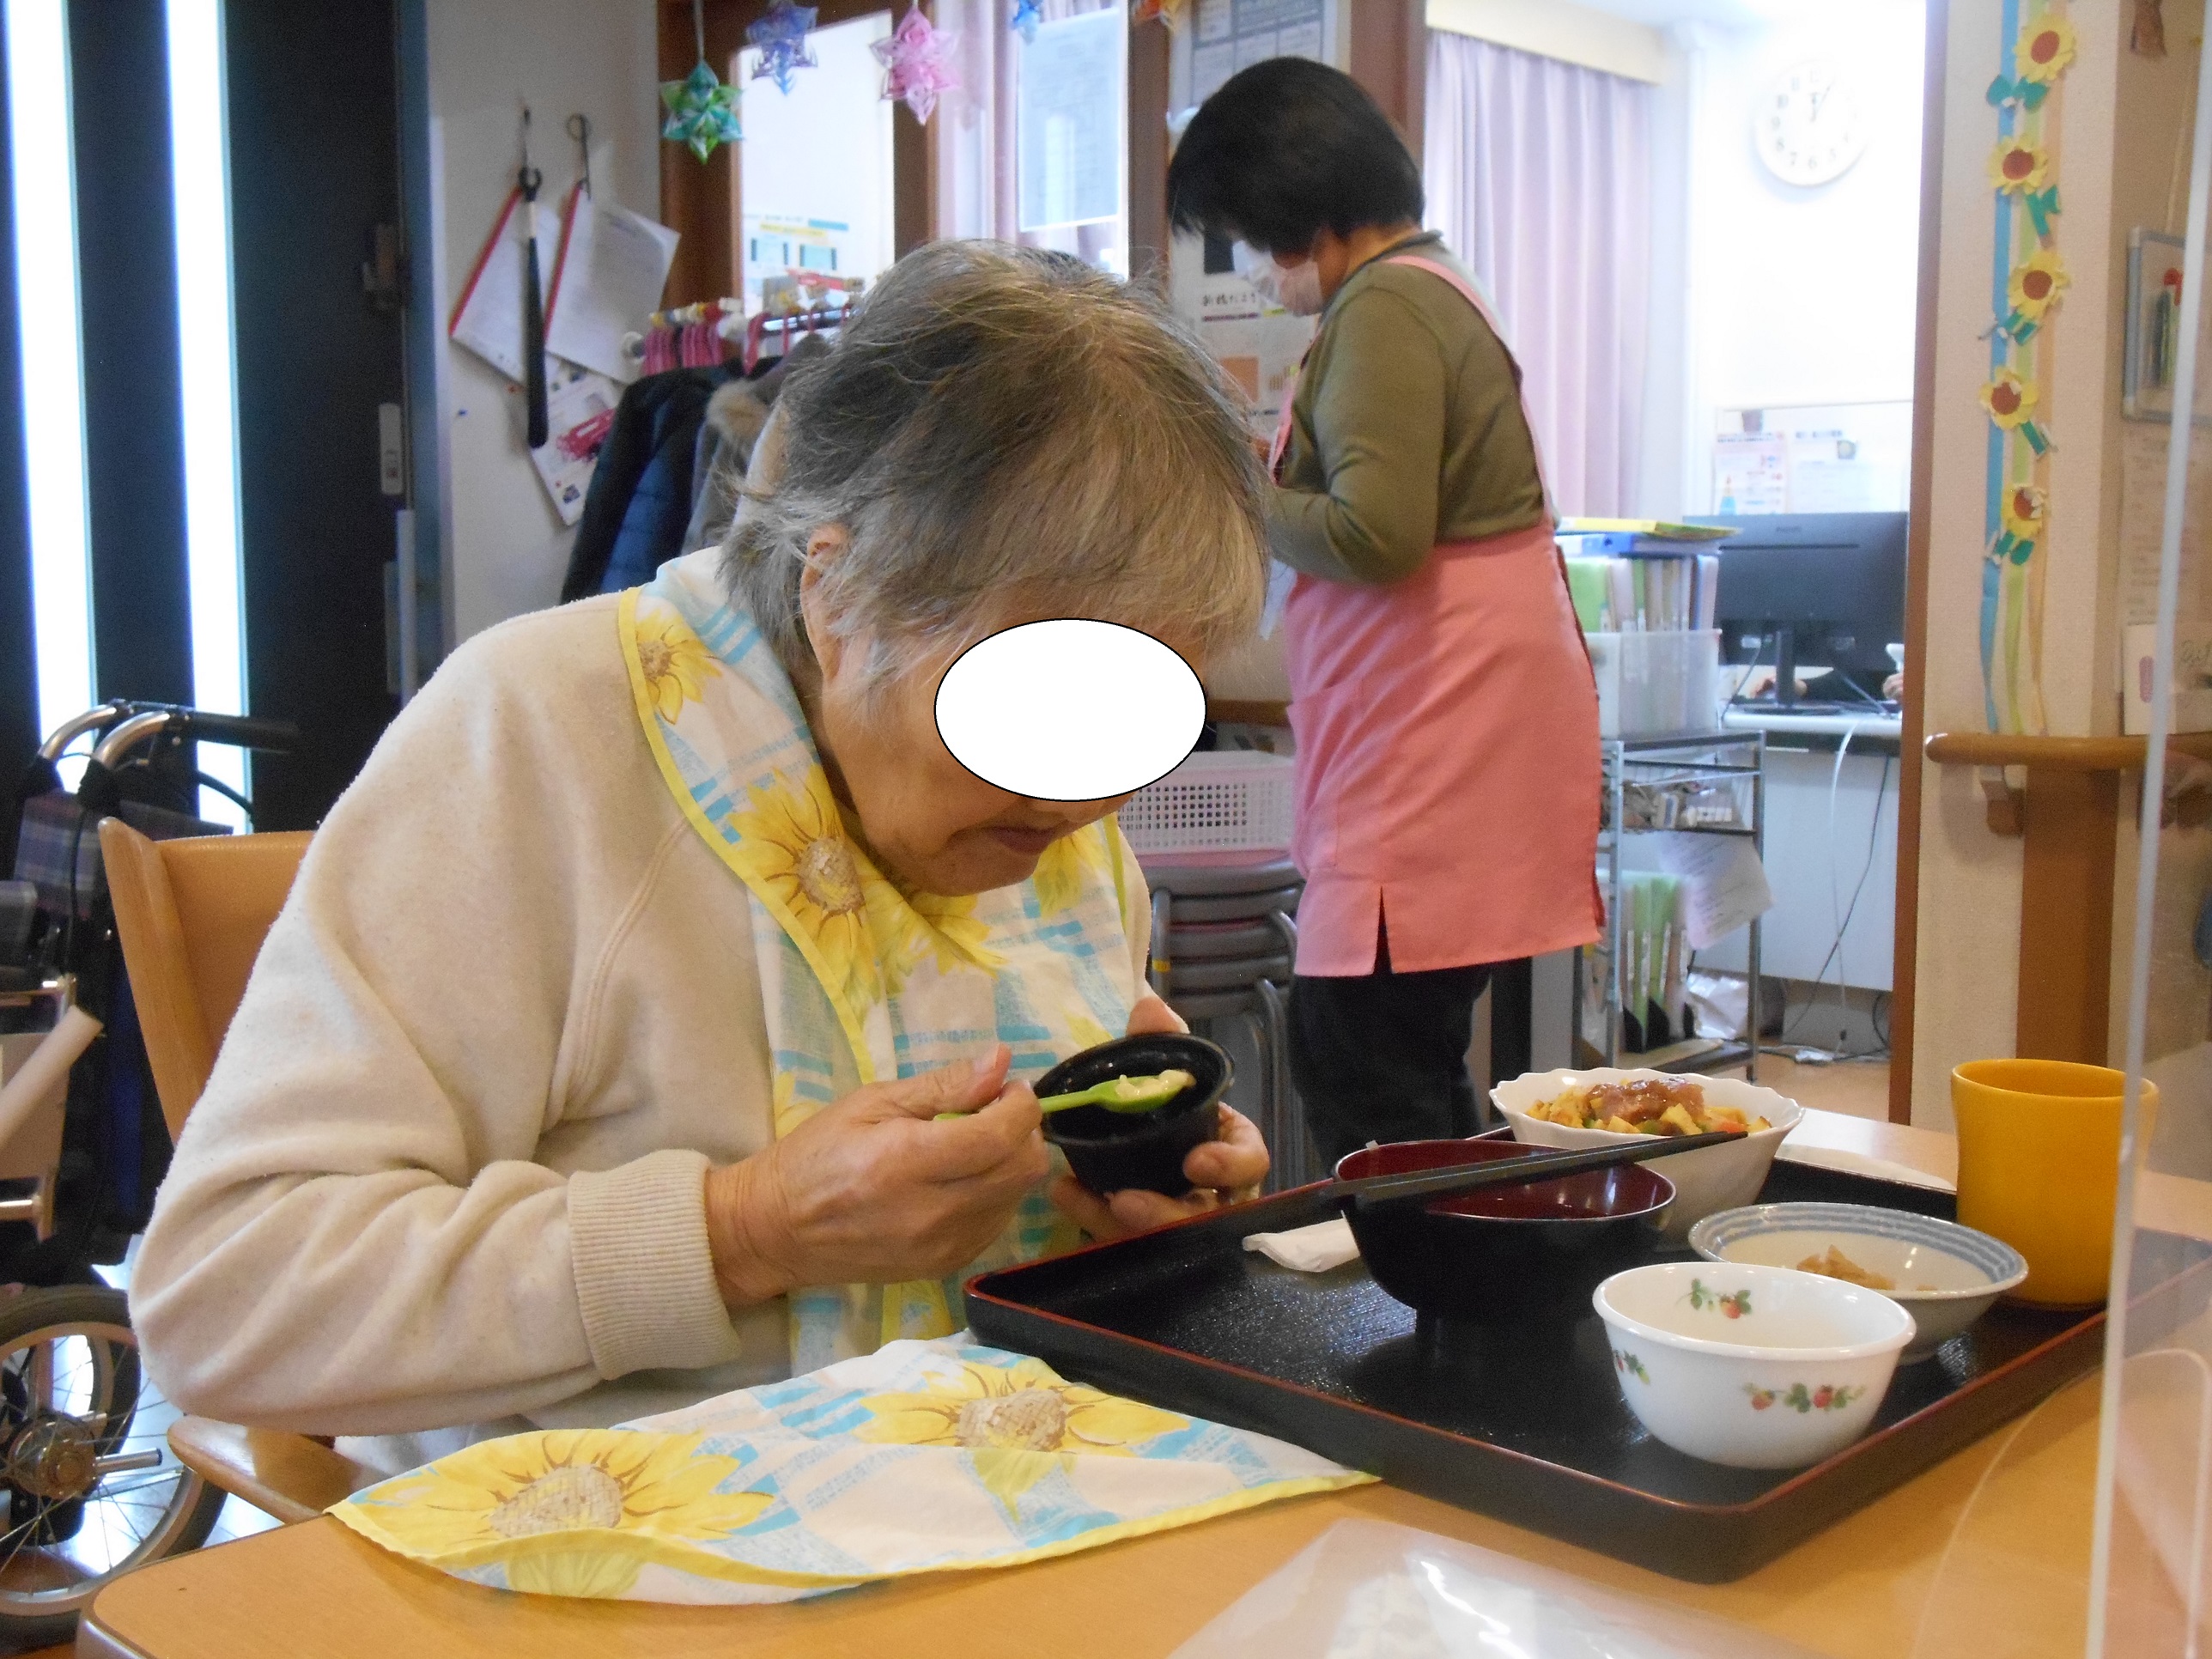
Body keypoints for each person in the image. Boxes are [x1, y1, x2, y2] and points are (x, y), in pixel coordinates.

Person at [134, 242, 1272, 1442]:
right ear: (837, 596)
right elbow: (223, 1299)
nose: (1085, 804)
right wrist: (740, 1232)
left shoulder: (1055, 817)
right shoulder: (539, 734)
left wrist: (1147, 1210)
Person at [1167, 60, 1601, 1166]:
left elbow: (1376, 535)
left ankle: (1435, 1264)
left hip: (1438, 733)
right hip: (1448, 727)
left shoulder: (1389, 308)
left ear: (1300, 213)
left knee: (1359, 1050)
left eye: (1252, 237)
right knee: (1394, 1049)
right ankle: (1460, 1257)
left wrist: (1235, 495)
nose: (1257, 265)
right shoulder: (1424, 287)